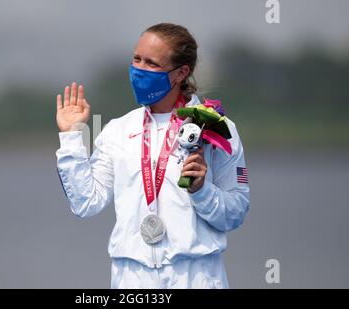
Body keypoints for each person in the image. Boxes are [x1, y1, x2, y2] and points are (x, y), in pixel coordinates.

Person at [55, 23, 250, 289]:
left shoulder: (215, 126)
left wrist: (202, 191)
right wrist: (71, 137)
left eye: (152, 63)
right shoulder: (118, 130)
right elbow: (85, 203)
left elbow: (235, 213)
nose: (139, 70)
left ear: (180, 73)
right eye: (136, 59)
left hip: (195, 276)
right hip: (131, 278)